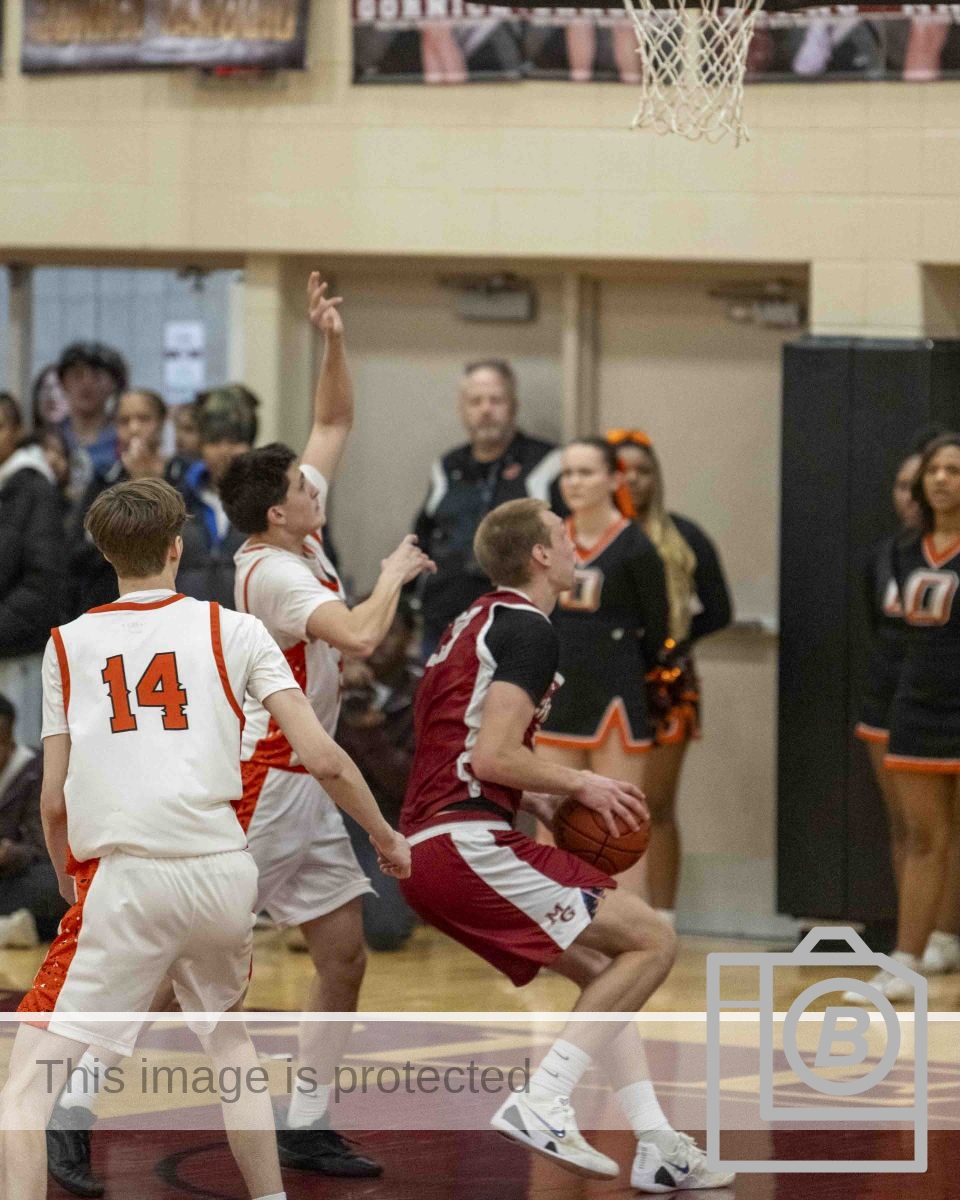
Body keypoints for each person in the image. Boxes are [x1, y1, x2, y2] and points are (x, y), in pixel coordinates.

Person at [1, 477, 410, 1200]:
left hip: (128, 877)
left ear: (105, 553)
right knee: (229, 1047)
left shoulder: (68, 644)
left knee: (23, 1089)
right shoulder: (236, 629)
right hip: (223, 871)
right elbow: (323, 756)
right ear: (177, 548)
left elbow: (54, 797)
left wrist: (67, 876)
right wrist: (384, 834)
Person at [399, 497, 733, 1193]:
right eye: (561, 533)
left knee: (604, 971)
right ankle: (545, 1098)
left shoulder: (475, 620)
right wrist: (582, 783)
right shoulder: (529, 627)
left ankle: (658, 1144)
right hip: (467, 843)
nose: (575, 542)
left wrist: (538, 798)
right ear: (541, 555)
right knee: (653, 939)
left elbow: (460, 746)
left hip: (432, 847)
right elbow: (492, 755)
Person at [219, 273, 435, 1176]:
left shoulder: (295, 533)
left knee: (343, 956)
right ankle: (69, 1104)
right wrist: (392, 574)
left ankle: (307, 1118)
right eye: (302, 487)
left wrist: (333, 340)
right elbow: (359, 636)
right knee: (191, 967)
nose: (317, 485)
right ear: (279, 511)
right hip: (266, 781)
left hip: (307, 783)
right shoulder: (272, 574)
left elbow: (334, 420)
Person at [849, 433, 960, 1002]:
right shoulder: (899, 551)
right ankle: (906, 960)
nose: (941, 479)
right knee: (920, 836)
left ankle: (946, 938)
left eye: (954, 470)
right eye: (934, 470)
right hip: (916, 703)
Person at [606, 429, 732, 923]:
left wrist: (672, 643)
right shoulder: (588, 536)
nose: (633, 480)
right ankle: (602, 914)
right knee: (599, 802)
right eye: (623, 470)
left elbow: (719, 609)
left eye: (644, 470)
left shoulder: (684, 536)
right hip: (602, 677)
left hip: (665, 681)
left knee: (655, 803)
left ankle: (663, 917)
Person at [536, 438, 669, 843]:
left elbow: (657, 631)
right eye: (568, 473)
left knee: (617, 831)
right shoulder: (547, 542)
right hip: (558, 694)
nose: (574, 482)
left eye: (586, 472)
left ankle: (622, 892)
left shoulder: (637, 548)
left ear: (614, 480)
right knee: (552, 827)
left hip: (616, 697)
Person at [413, 358, 562, 657]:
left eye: (496, 400)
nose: (486, 409)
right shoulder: (446, 466)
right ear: (462, 408)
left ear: (514, 405)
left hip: (519, 625)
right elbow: (422, 538)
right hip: (447, 623)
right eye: (476, 401)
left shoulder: (548, 463)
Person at [336, 598, 422, 951]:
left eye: (390, 632)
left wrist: (369, 733)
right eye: (369, 631)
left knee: (387, 932)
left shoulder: (426, 690)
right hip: (338, 814)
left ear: (410, 638)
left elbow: (407, 784)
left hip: (400, 816)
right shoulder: (326, 682)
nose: (377, 642)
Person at [0, 393, 66, 749]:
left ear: (16, 431)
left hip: (20, 662)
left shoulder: (34, 489)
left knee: (20, 766)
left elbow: (43, 583)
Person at [68, 389, 172, 614]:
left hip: (168, 601)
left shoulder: (181, 474)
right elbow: (78, 550)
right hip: (109, 600)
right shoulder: (103, 480)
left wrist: (146, 482)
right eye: (124, 421)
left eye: (144, 419)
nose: (134, 428)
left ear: (162, 422)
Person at [176, 385, 258, 606]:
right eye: (214, 442)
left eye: (234, 441)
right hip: (187, 621)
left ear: (250, 446)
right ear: (201, 446)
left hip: (249, 621)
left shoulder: (270, 502)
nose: (225, 451)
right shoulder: (177, 500)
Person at [0, 691, 68, 947]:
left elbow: (45, 848)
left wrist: (10, 854)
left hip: (20, 876)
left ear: (7, 737)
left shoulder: (37, 772)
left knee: (51, 884)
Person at [55, 341, 128, 499]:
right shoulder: (50, 437)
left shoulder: (124, 439)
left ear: (114, 384)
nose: (87, 383)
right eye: (77, 375)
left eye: (97, 376)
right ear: (63, 383)